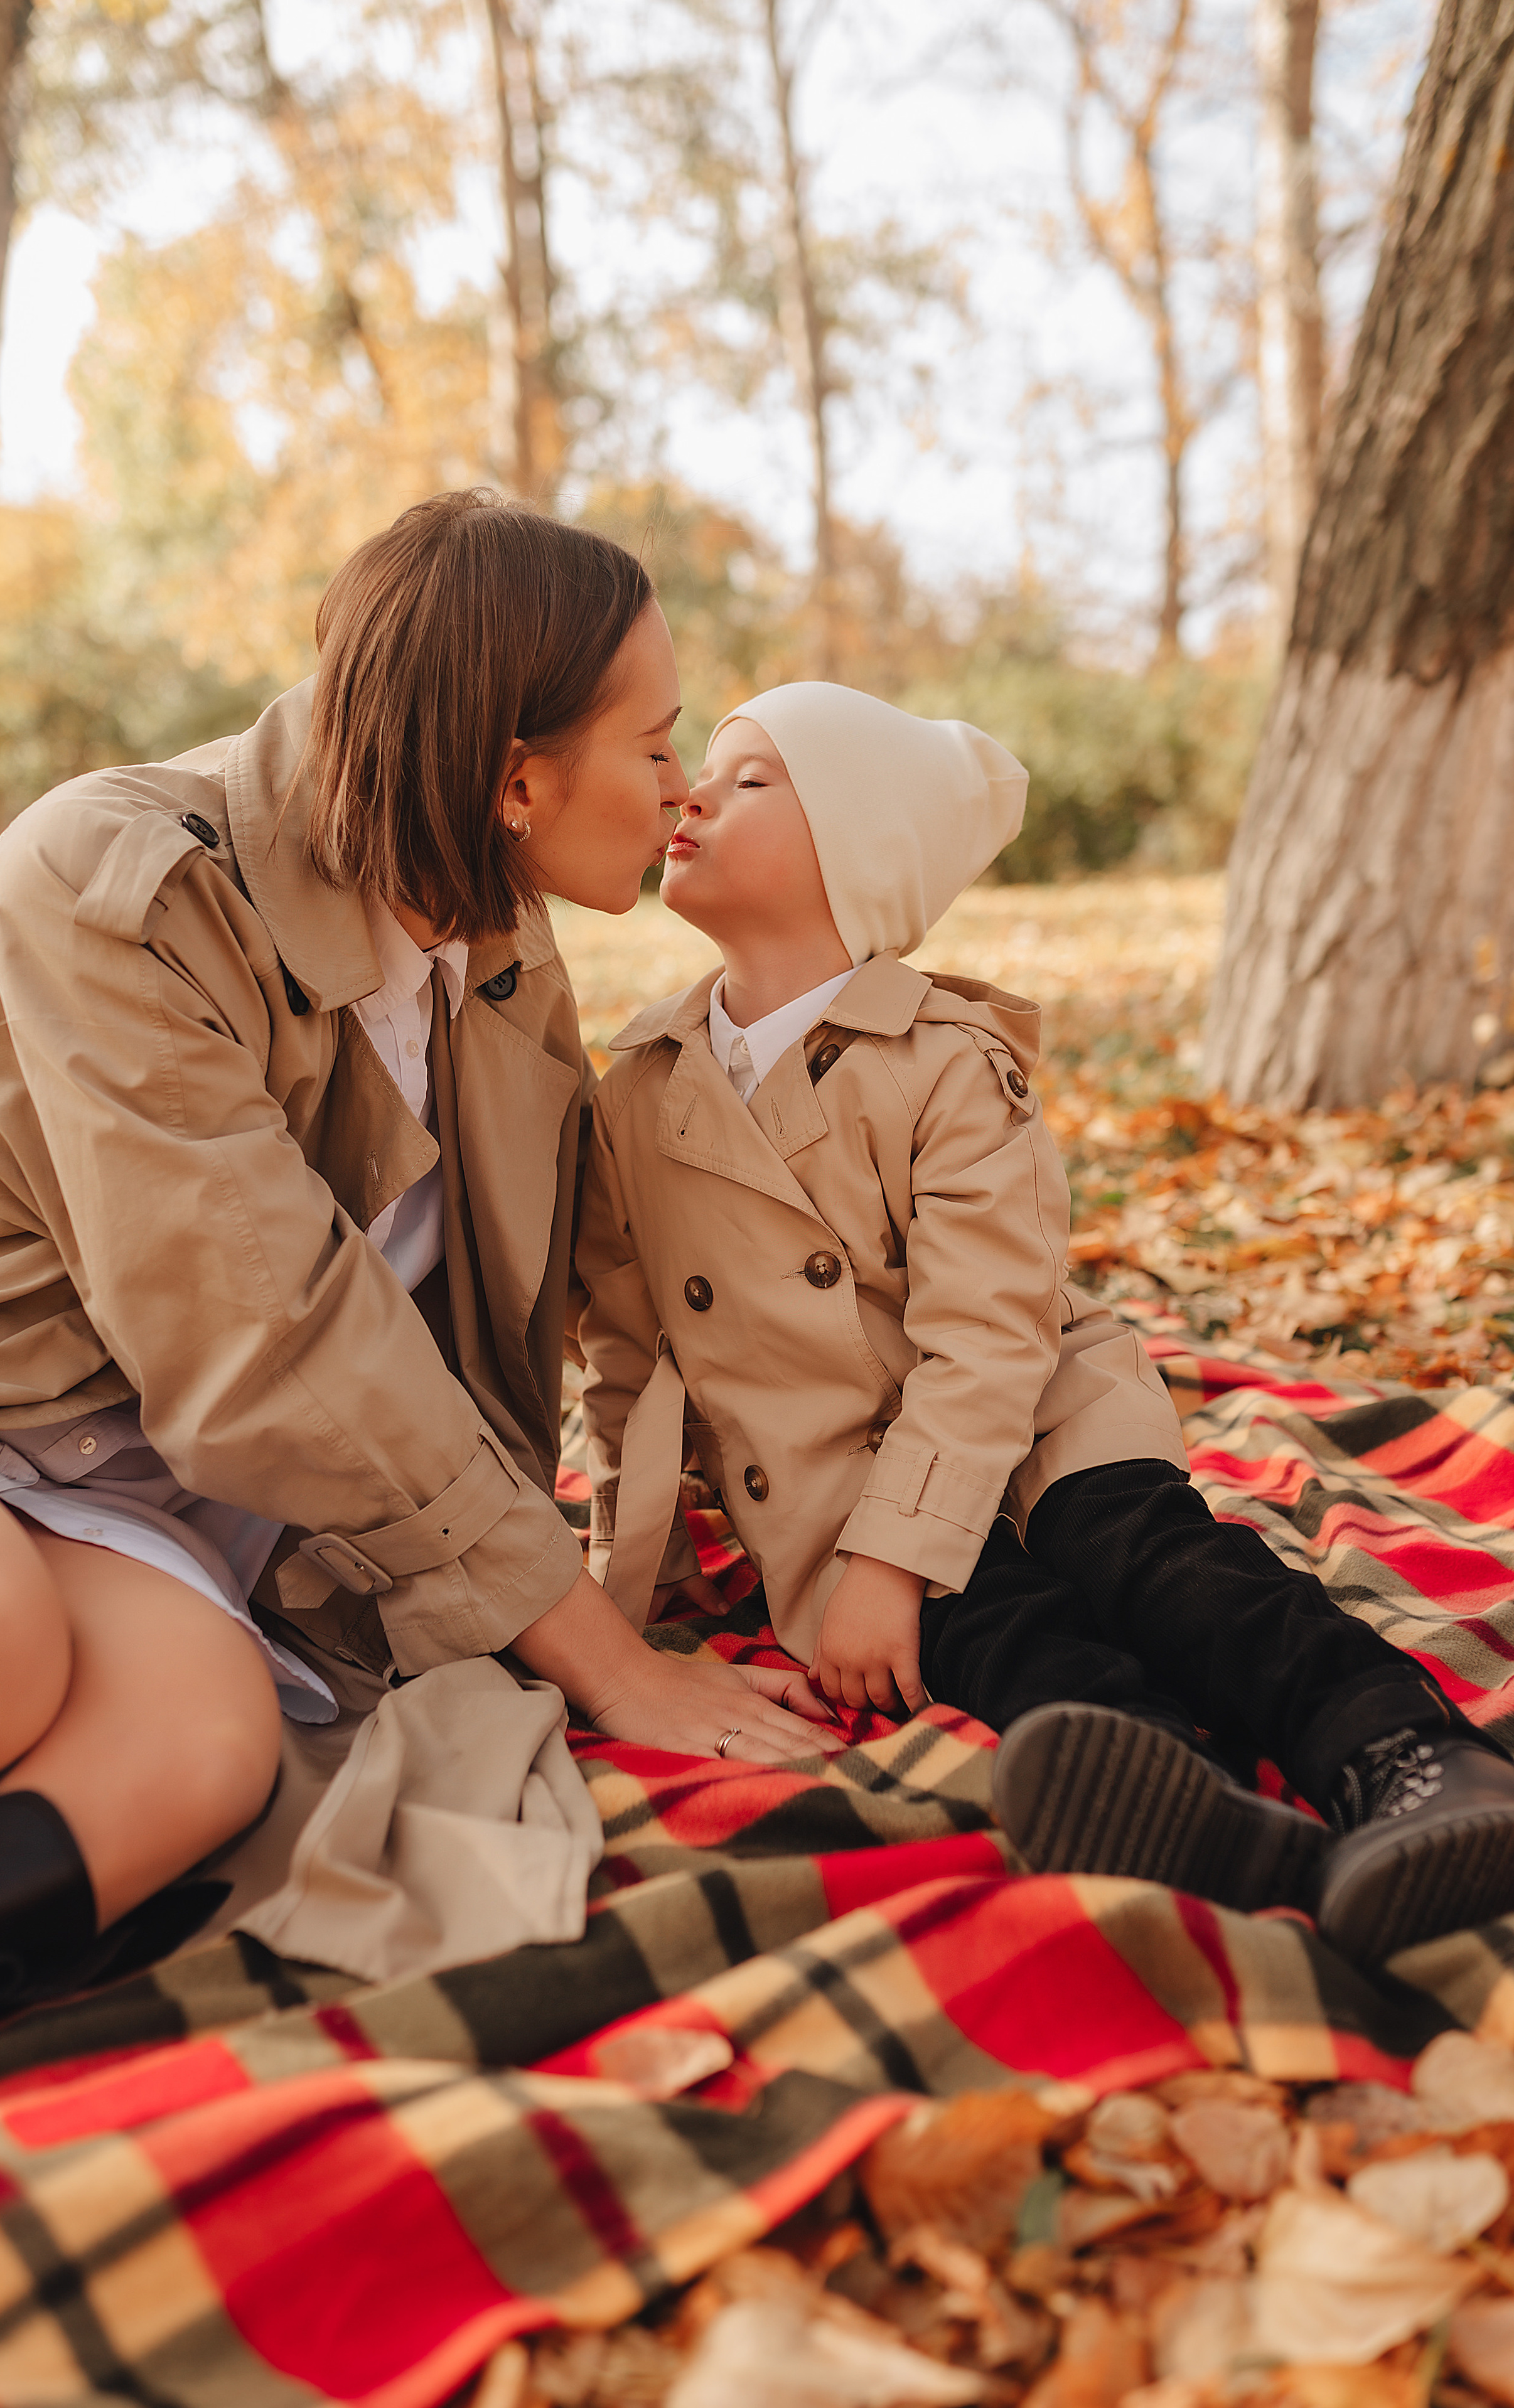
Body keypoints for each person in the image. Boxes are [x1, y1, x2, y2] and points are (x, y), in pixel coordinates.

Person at [0, 494, 839, 2055]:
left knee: (204, 1747)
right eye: (659, 741)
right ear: (513, 776)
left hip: (135, 1473)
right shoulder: (119, 885)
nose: (680, 785)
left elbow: (528, 1300)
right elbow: (271, 1332)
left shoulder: (491, 937)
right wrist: (599, 1656)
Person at [576, 680, 1514, 1967]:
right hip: (830, 1490)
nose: (689, 792)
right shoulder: (640, 1087)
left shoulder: (945, 1057)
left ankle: (1407, 1758)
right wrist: (641, 1581)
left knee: (1151, 1559)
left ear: (857, 851)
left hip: (1031, 1416)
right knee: (991, 1640)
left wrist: (894, 1557)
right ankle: (1203, 1808)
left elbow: (989, 1332)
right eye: (703, 770)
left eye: (749, 779)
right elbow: (627, 1352)